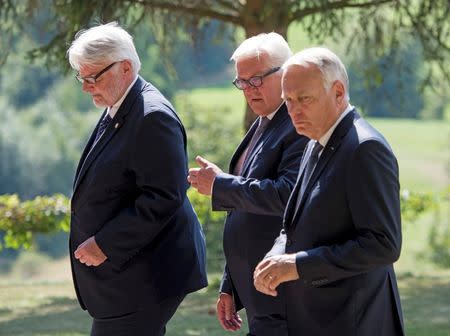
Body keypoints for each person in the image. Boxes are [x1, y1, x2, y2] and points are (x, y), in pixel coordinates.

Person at [67, 22, 207, 336]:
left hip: (148, 274)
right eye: (82, 77)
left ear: (125, 68)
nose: (86, 87)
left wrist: (105, 243)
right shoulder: (119, 106)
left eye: (93, 77)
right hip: (128, 273)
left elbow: (163, 197)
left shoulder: (152, 116)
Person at [253, 47, 405, 335]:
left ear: (338, 92)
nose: (294, 111)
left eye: (304, 99)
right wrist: (277, 256)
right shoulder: (314, 140)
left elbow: (383, 244)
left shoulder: (365, 149)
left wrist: (298, 265)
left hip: (355, 321)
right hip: (318, 318)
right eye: (288, 101)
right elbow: (292, 222)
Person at [188, 33, 308, 335]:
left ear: (286, 74)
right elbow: (243, 211)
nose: (248, 90)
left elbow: (286, 196)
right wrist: (231, 285)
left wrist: (220, 186)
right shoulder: (263, 120)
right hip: (256, 293)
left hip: (283, 295)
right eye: (242, 82)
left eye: (256, 80)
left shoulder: (297, 125)